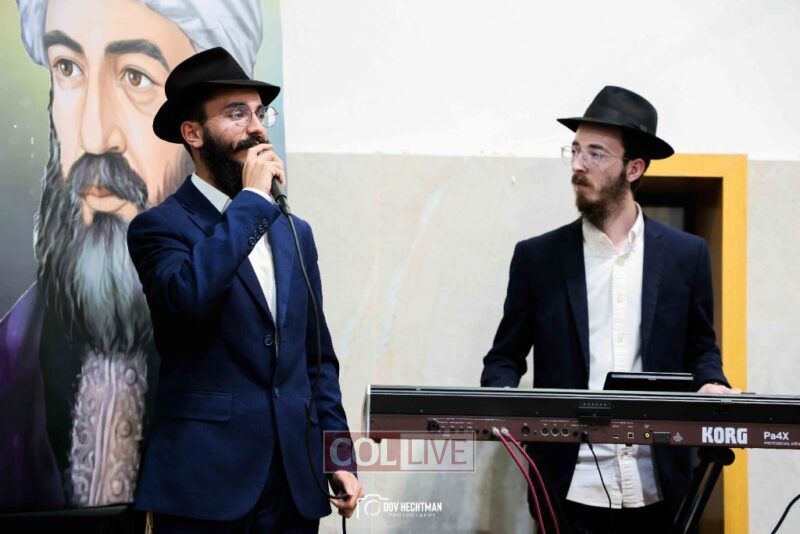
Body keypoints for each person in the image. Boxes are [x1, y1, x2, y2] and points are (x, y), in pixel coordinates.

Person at [0, 0, 270, 510]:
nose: (94, 136)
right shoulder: (9, 359)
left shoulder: (260, 281)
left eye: (136, 77)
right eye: (68, 68)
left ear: (195, 133)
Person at [480, 86, 740, 534]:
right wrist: (499, 404)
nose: (578, 165)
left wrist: (712, 383)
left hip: (660, 489)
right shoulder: (538, 258)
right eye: (575, 150)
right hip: (568, 489)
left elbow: (701, 349)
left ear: (634, 168)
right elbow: (505, 356)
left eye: (596, 153)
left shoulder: (687, 255)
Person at [126, 47, 363, 532]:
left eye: (260, 113)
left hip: (294, 485)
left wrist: (338, 456)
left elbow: (318, 359)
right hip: (205, 487)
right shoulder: (159, 227)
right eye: (237, 114)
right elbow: (187, 298)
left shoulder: (295, 232)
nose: (257, 129)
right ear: (194, 134)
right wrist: (252, 199)